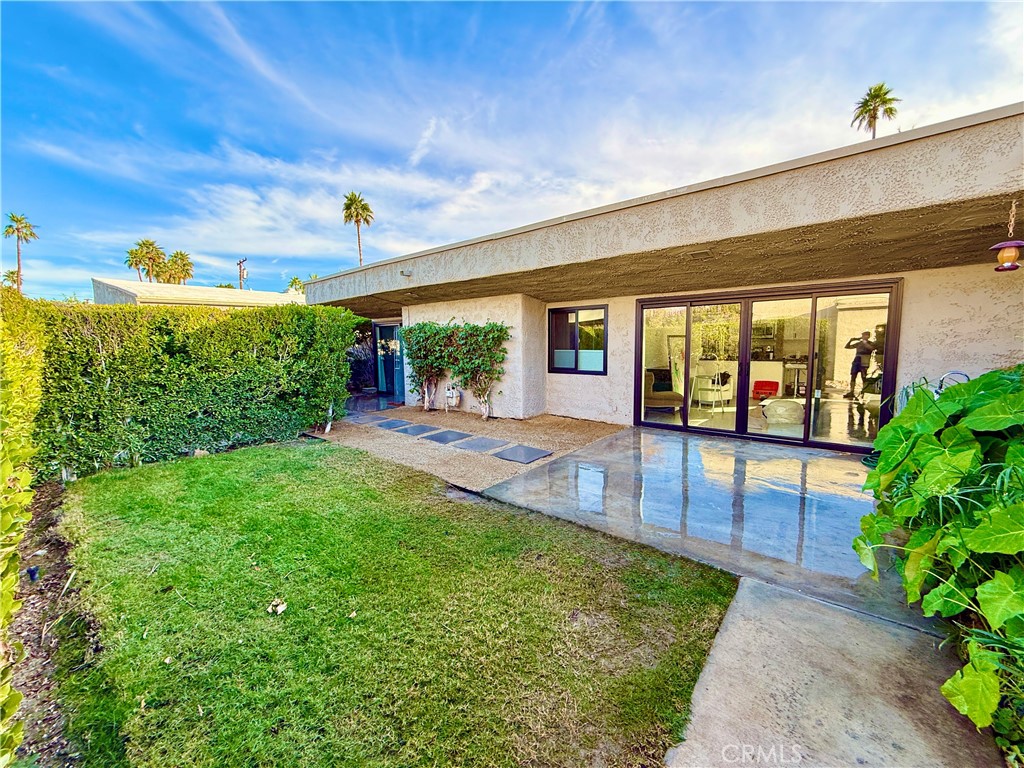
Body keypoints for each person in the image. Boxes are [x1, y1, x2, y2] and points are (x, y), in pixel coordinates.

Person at [844, 330, 877, 398]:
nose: (864, 336)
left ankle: (864, 391)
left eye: (865, 335)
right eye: (863, 335)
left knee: (863, 377)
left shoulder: (871, 343)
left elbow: (872, 348)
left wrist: (865, 343)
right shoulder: (859, 343)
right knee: (853, 375)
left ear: (868, 336)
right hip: (857, 359)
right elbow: (847, 347)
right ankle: (851, 391)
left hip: (864, 360)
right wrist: (851, 340)